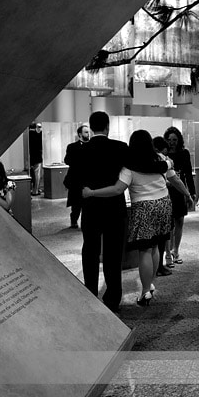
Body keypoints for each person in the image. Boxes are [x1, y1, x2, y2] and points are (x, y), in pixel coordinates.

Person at [82, 130, 170, 307]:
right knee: (155, 246)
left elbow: (116, 189)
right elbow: (170, 171)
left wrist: (91, 192)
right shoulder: (160, 160)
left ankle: (145, 291)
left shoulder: (129, 166)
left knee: (144, 250)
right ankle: (150, 283)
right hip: (164, 204)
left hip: (145, 208)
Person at [73, 111, 128, 313]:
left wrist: (84, 192)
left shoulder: (80, 151)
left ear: (91, 126)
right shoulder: (121, 148)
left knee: (90, 251)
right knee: (113, 254)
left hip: (91, 207)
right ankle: (113, 298)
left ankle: (90, 292)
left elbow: (71, 181)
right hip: (115, 207)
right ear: (107, 126)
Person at [164, 127, 196, 266]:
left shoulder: (184, 153)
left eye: (175, 140)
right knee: (168, 223)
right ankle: (168, 253)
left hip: (180, 190)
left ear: (179, 140)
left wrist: (192, 192)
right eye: (169, 140)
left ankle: (176, 251)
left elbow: (188, 173)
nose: (172, 142)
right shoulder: (162, 155)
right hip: (166, 191)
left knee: (180, 221)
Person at [64, 123, 90, 228]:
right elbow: (67, 160)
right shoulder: (72, 147)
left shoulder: (92, 146)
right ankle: (74, 220)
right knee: (76, 204)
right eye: (86, 132)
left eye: (88, 132)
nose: (88, 134)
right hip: (76, 180)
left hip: (88, 180)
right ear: (80, 134)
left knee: (87, 203)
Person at [28, 122, 43, 196]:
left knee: (31, 175)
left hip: (30, 158)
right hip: (37, 157)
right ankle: (35, 190)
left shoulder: (27, 135)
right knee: (37, 175)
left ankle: (30, 189)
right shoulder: (38, 135)